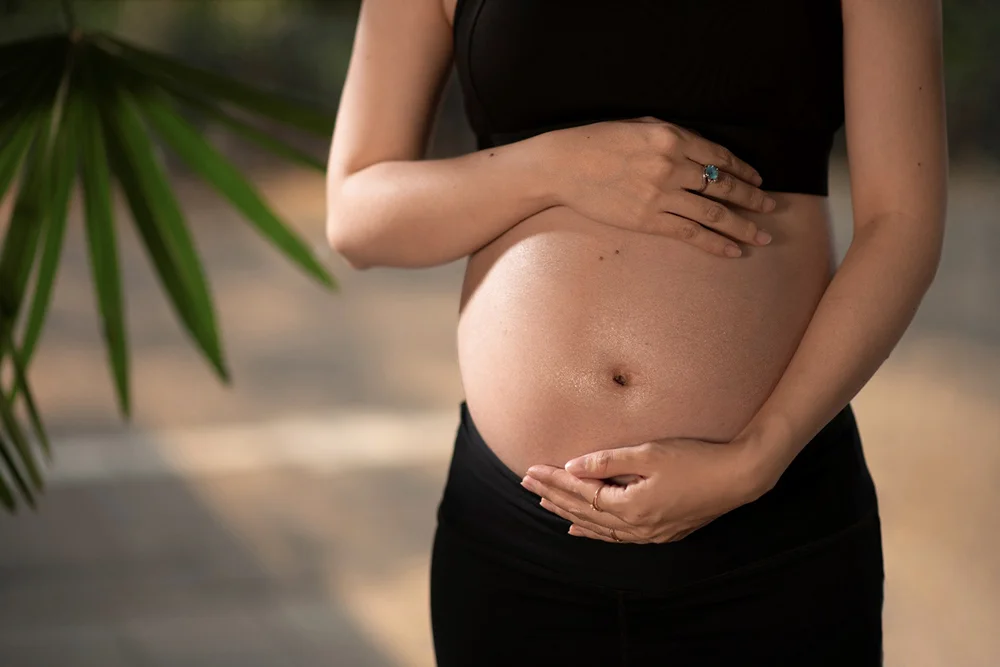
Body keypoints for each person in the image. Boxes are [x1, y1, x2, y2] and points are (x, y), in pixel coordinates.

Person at [324, 0, 948, 664]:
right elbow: (357, 214)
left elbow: (902, 223)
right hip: (515, 546)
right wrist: (557, 167)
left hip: (773, 524)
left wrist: (757, 458)